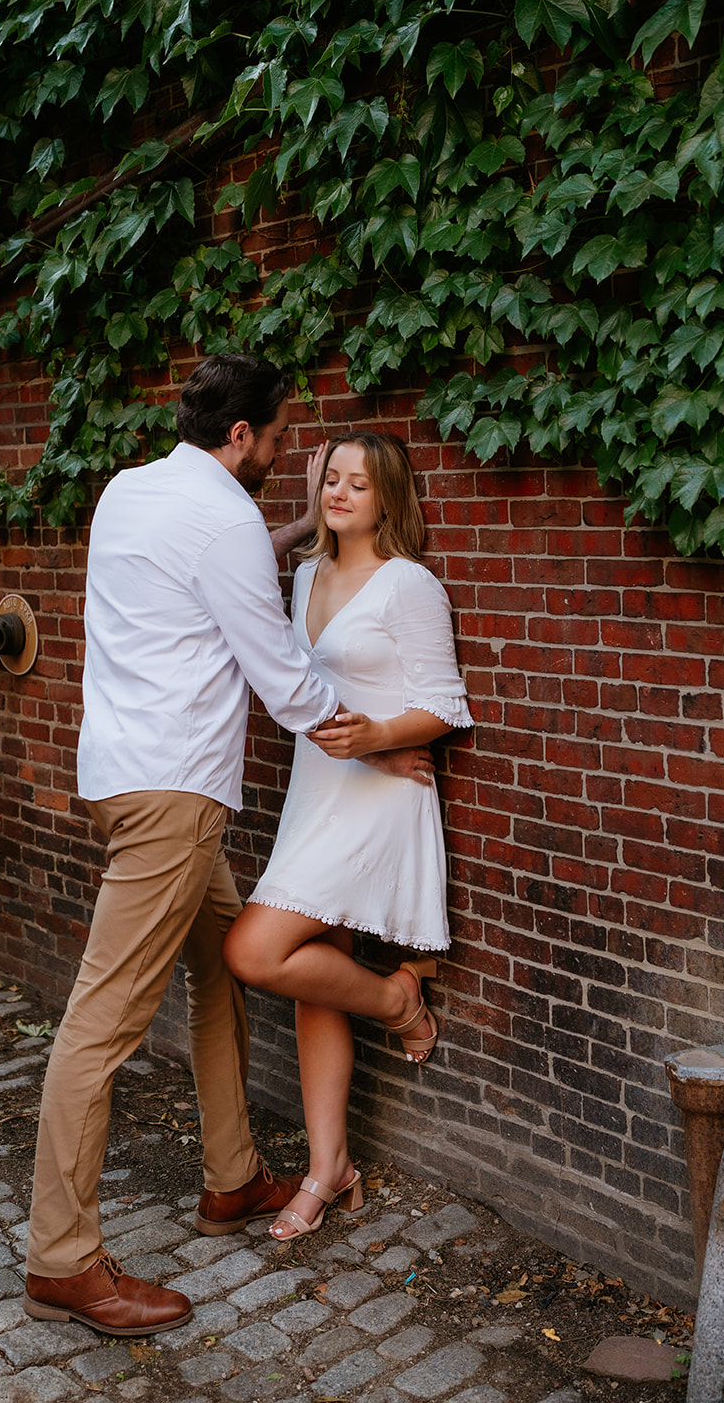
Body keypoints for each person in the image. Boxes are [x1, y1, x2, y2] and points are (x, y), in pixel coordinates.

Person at [22, 357, 424, 1339]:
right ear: (240, 434)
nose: (287, 452)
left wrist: (277, 537)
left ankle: (231, 1177)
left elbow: (208, 563)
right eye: (280, 436)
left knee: (220, 971)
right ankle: (61, 1258)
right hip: (172, 801)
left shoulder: (132, 489)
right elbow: (283, 678)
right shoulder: (224, 524)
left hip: (118, 777)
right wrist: (376, 739)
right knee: (100, 1023)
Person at [223, 431, 472, 1240]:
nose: (338, 493)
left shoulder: (408, 585)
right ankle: (330, 1169)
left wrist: (380, 737)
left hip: (377, 797)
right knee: (309, 969)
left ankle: (399, 999)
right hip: (315, 794)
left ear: (387, 499)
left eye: (357, 485)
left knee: (254, 953)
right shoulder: (303, 576)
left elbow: (444, 707)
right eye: (330, 478)